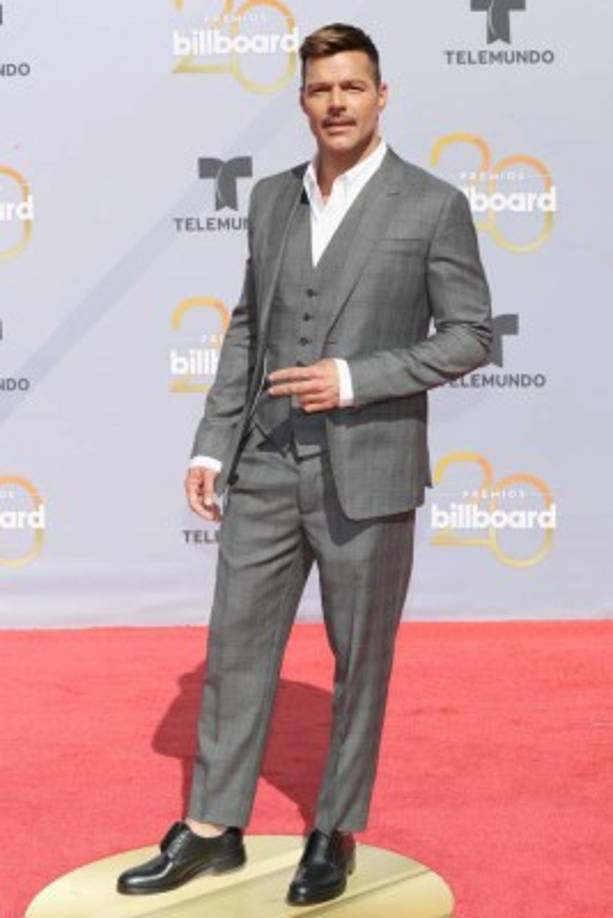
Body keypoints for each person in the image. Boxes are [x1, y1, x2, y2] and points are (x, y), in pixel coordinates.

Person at [117, 21, 492, 906]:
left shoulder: (430, 204)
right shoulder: (269, 200)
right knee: (233, 646)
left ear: (380, 95)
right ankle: (212, 829)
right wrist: (214, 440)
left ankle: (334, 830)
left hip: (370, 474)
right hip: (267, 463)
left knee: (360, 661)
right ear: (303, 100)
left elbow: (472, 334)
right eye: (321, 89)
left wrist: (357, 378)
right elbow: (248, 327)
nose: (336, 103)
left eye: (351, 87)